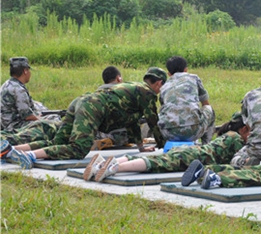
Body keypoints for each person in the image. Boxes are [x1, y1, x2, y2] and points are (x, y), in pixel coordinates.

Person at [1, 67, 167, 168]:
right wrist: (165, 147)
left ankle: (11, 150)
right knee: (79, 148)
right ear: (158, 83)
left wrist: (141, 148)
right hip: (92, 107)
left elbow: (132, 123)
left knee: (57, 143)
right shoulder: (148, 94)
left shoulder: (134, 88)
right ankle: (29, 156)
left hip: (81, 101)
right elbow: (154, 122)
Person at [83, 111, 248, 182]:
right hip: (193, 156)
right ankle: (115, 168)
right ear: (243, 129)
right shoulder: (237, 140)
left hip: (189, 151)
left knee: (156, 158)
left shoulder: (228, 135)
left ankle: (103, 163)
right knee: (155, 164)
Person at [0, 66, 125, 147]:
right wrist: (43, 119)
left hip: (13, 126)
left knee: (48, 127)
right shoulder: (122, 95)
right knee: (49, 126)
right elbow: (27, 116)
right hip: (19, 125)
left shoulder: (7, 84)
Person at [158, 56, 215, 144]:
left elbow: (164, 109)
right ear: (186, 70)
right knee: (209, 109)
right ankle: (206, 145)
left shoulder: (164, 86)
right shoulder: (194, 78)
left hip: (169, 134)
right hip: (193, 132)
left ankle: (164, 144)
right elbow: (205, 103)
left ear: (169, 73)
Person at [1, 57, 42, 131]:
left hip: (4, 122)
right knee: (51, 120)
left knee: (38, 105)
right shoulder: (19, 90)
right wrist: (39, 119)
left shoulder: (6, 84)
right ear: (25, 71)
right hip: (13, 126)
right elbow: (27, 116)